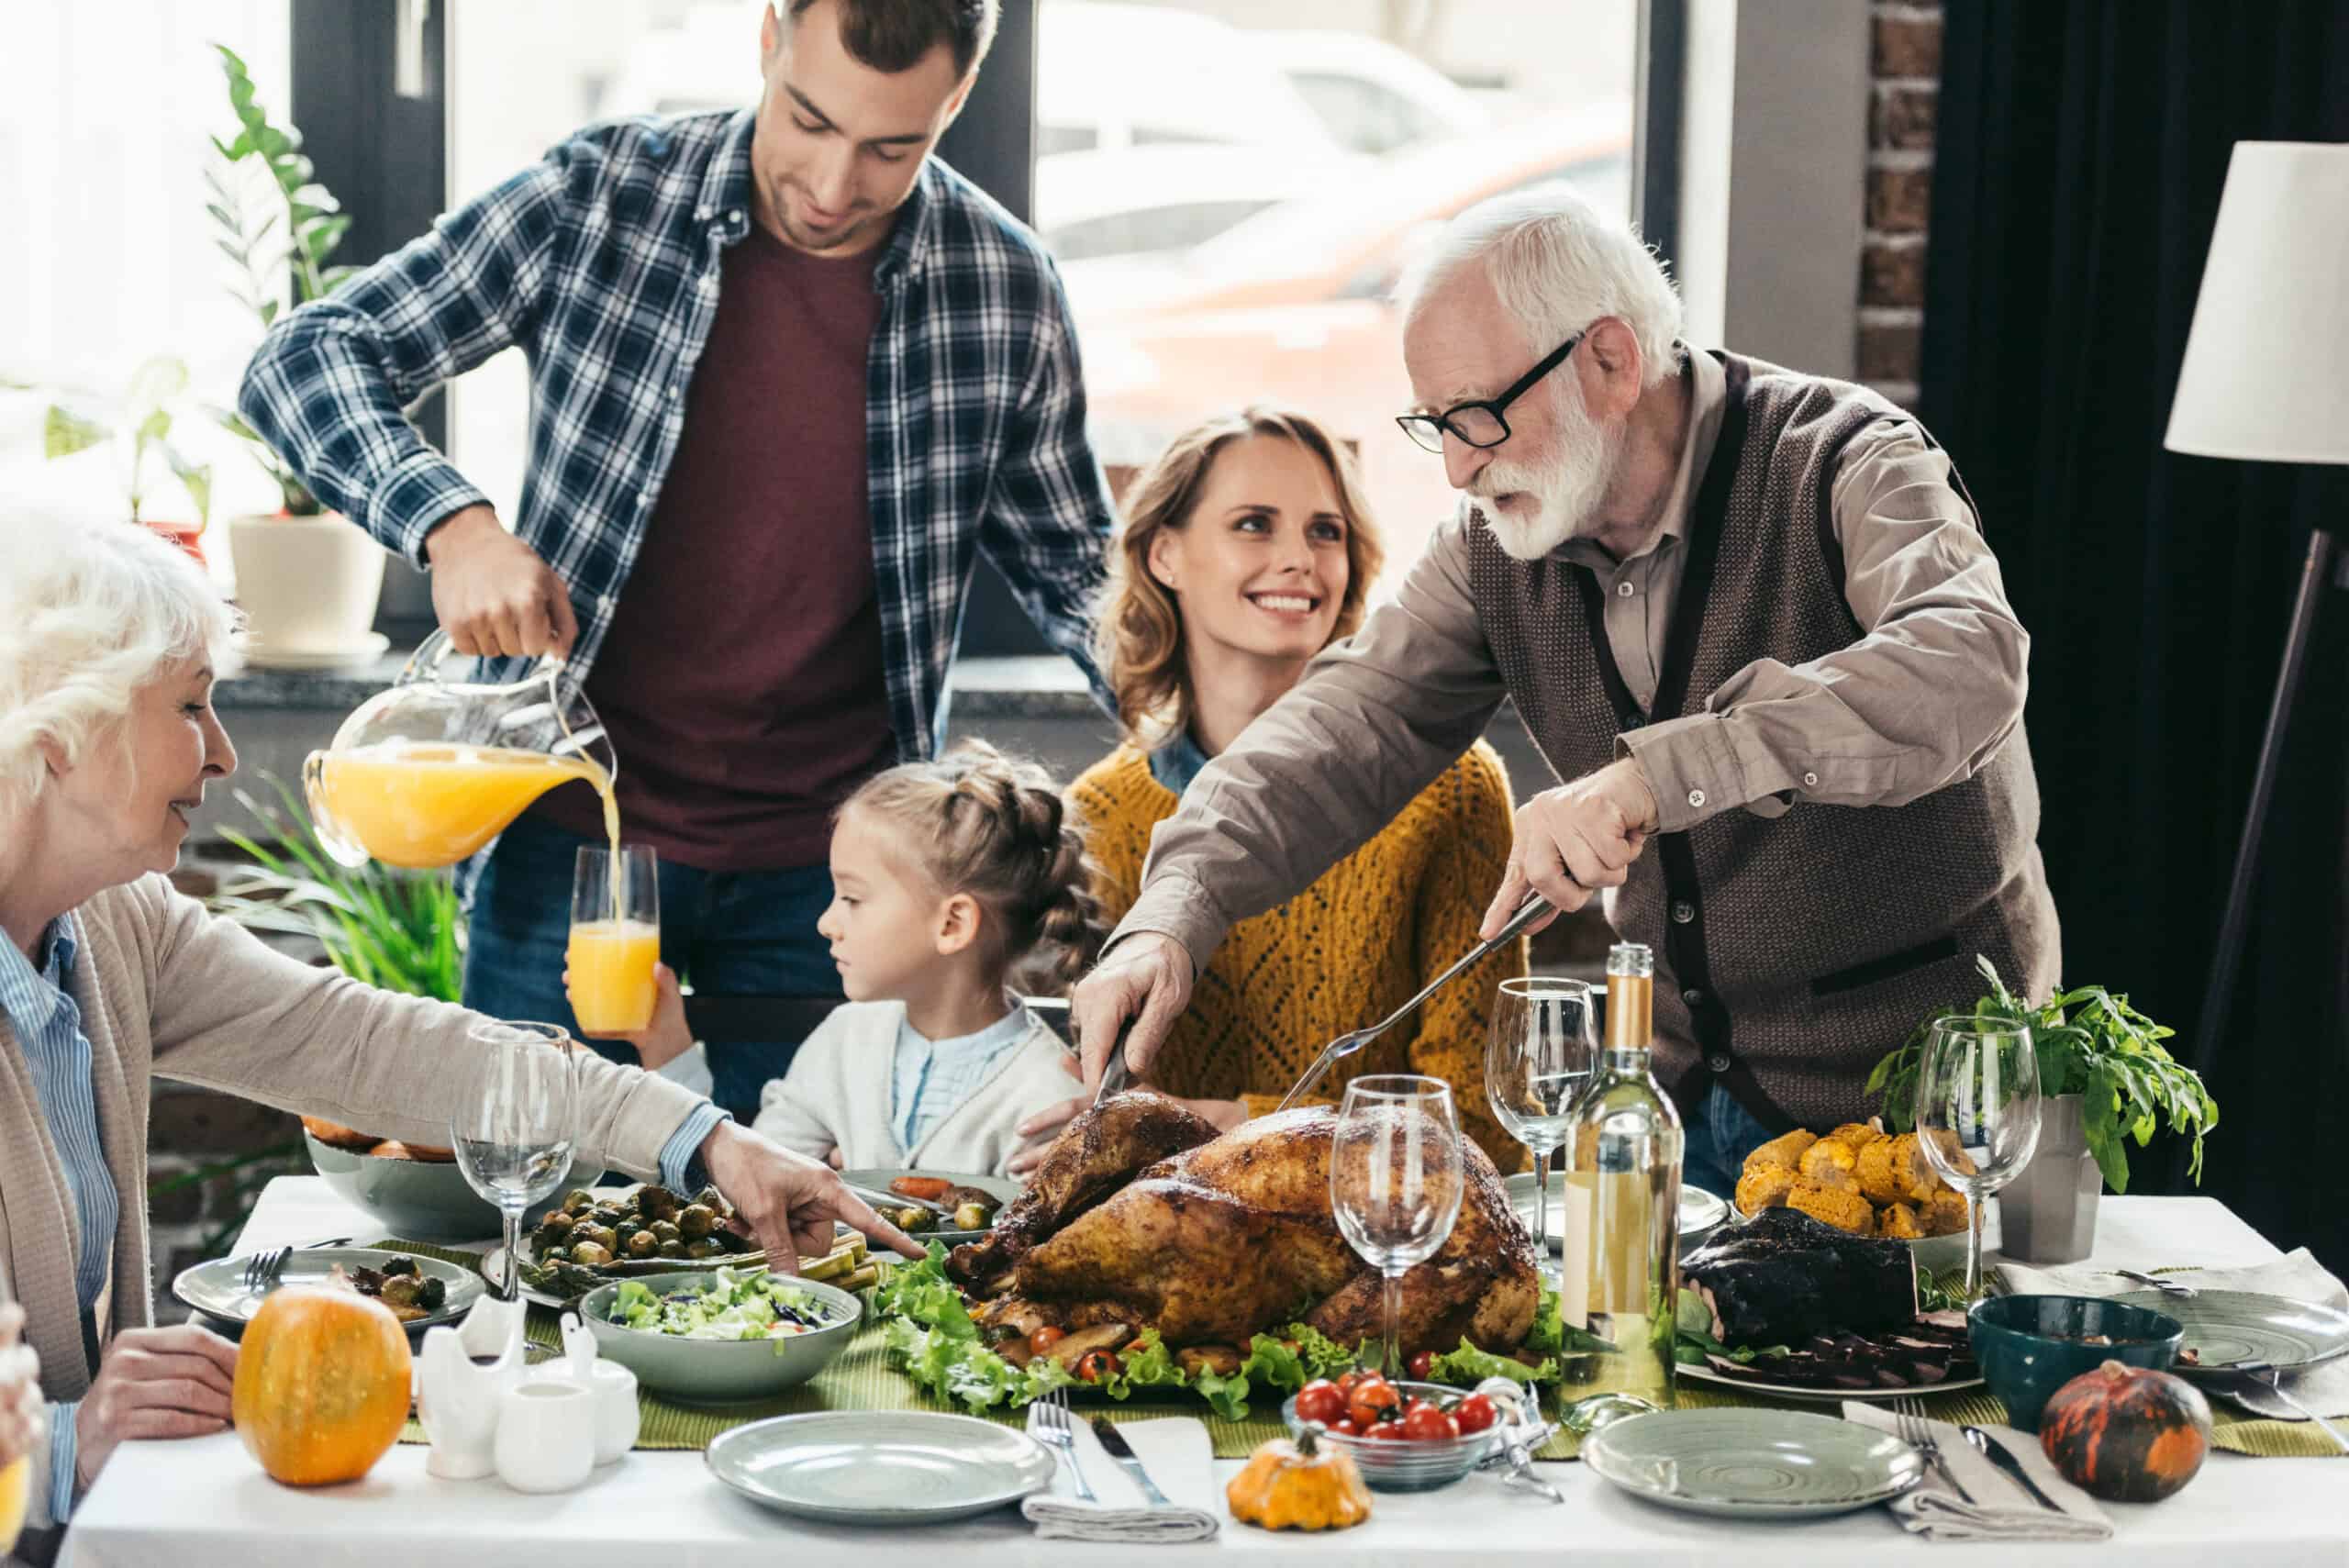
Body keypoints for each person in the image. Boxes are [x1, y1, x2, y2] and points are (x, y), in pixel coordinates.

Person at [1071, 184, 2060, 1199]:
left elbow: (1965, 659)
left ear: (1610, 360)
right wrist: (1171, 910)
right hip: (1682, 1108)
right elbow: (1346, 722)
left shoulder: (1849, 458)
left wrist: (1646, 779)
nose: (1458, 466)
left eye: (1481, 417)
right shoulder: (1494, 546)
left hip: (1936, 1114)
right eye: (1436, 424)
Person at [239, 0, 1116, 1122]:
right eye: (808, 121)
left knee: (797, 1246)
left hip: (839, 883)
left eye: (893, 148)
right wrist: (451, 523)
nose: (835, 185)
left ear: (954, 103)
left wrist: (1247, 755)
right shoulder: (602, 196)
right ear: (767, 40)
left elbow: (1083, 580)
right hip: (569, 848)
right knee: (533, 1201)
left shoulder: (1001, 288)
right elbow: (305, 357)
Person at [0, 512, 915, 1551]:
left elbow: (371, 1045)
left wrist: (709, 1139)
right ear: (63, 727)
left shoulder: (116, 924)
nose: (223, 751)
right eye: (192, 705)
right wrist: (67, 1444)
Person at [1010, 406, 1523, 1175]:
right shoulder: (1097, 813)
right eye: (1254, 524)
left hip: (1379, 1249)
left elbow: (1483, 1124)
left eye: (1327, 532)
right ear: (1165, 554)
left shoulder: (1454, 791)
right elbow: (1061, 1099)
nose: (1300, 560)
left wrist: (1237, 1126)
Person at [598, 743, 1097, 1178]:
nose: (826, 923)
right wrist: (669, 1051)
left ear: (952, 925)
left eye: (852, 899)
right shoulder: (844, 1040)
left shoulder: (1048, 1098)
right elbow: (745, 1184)